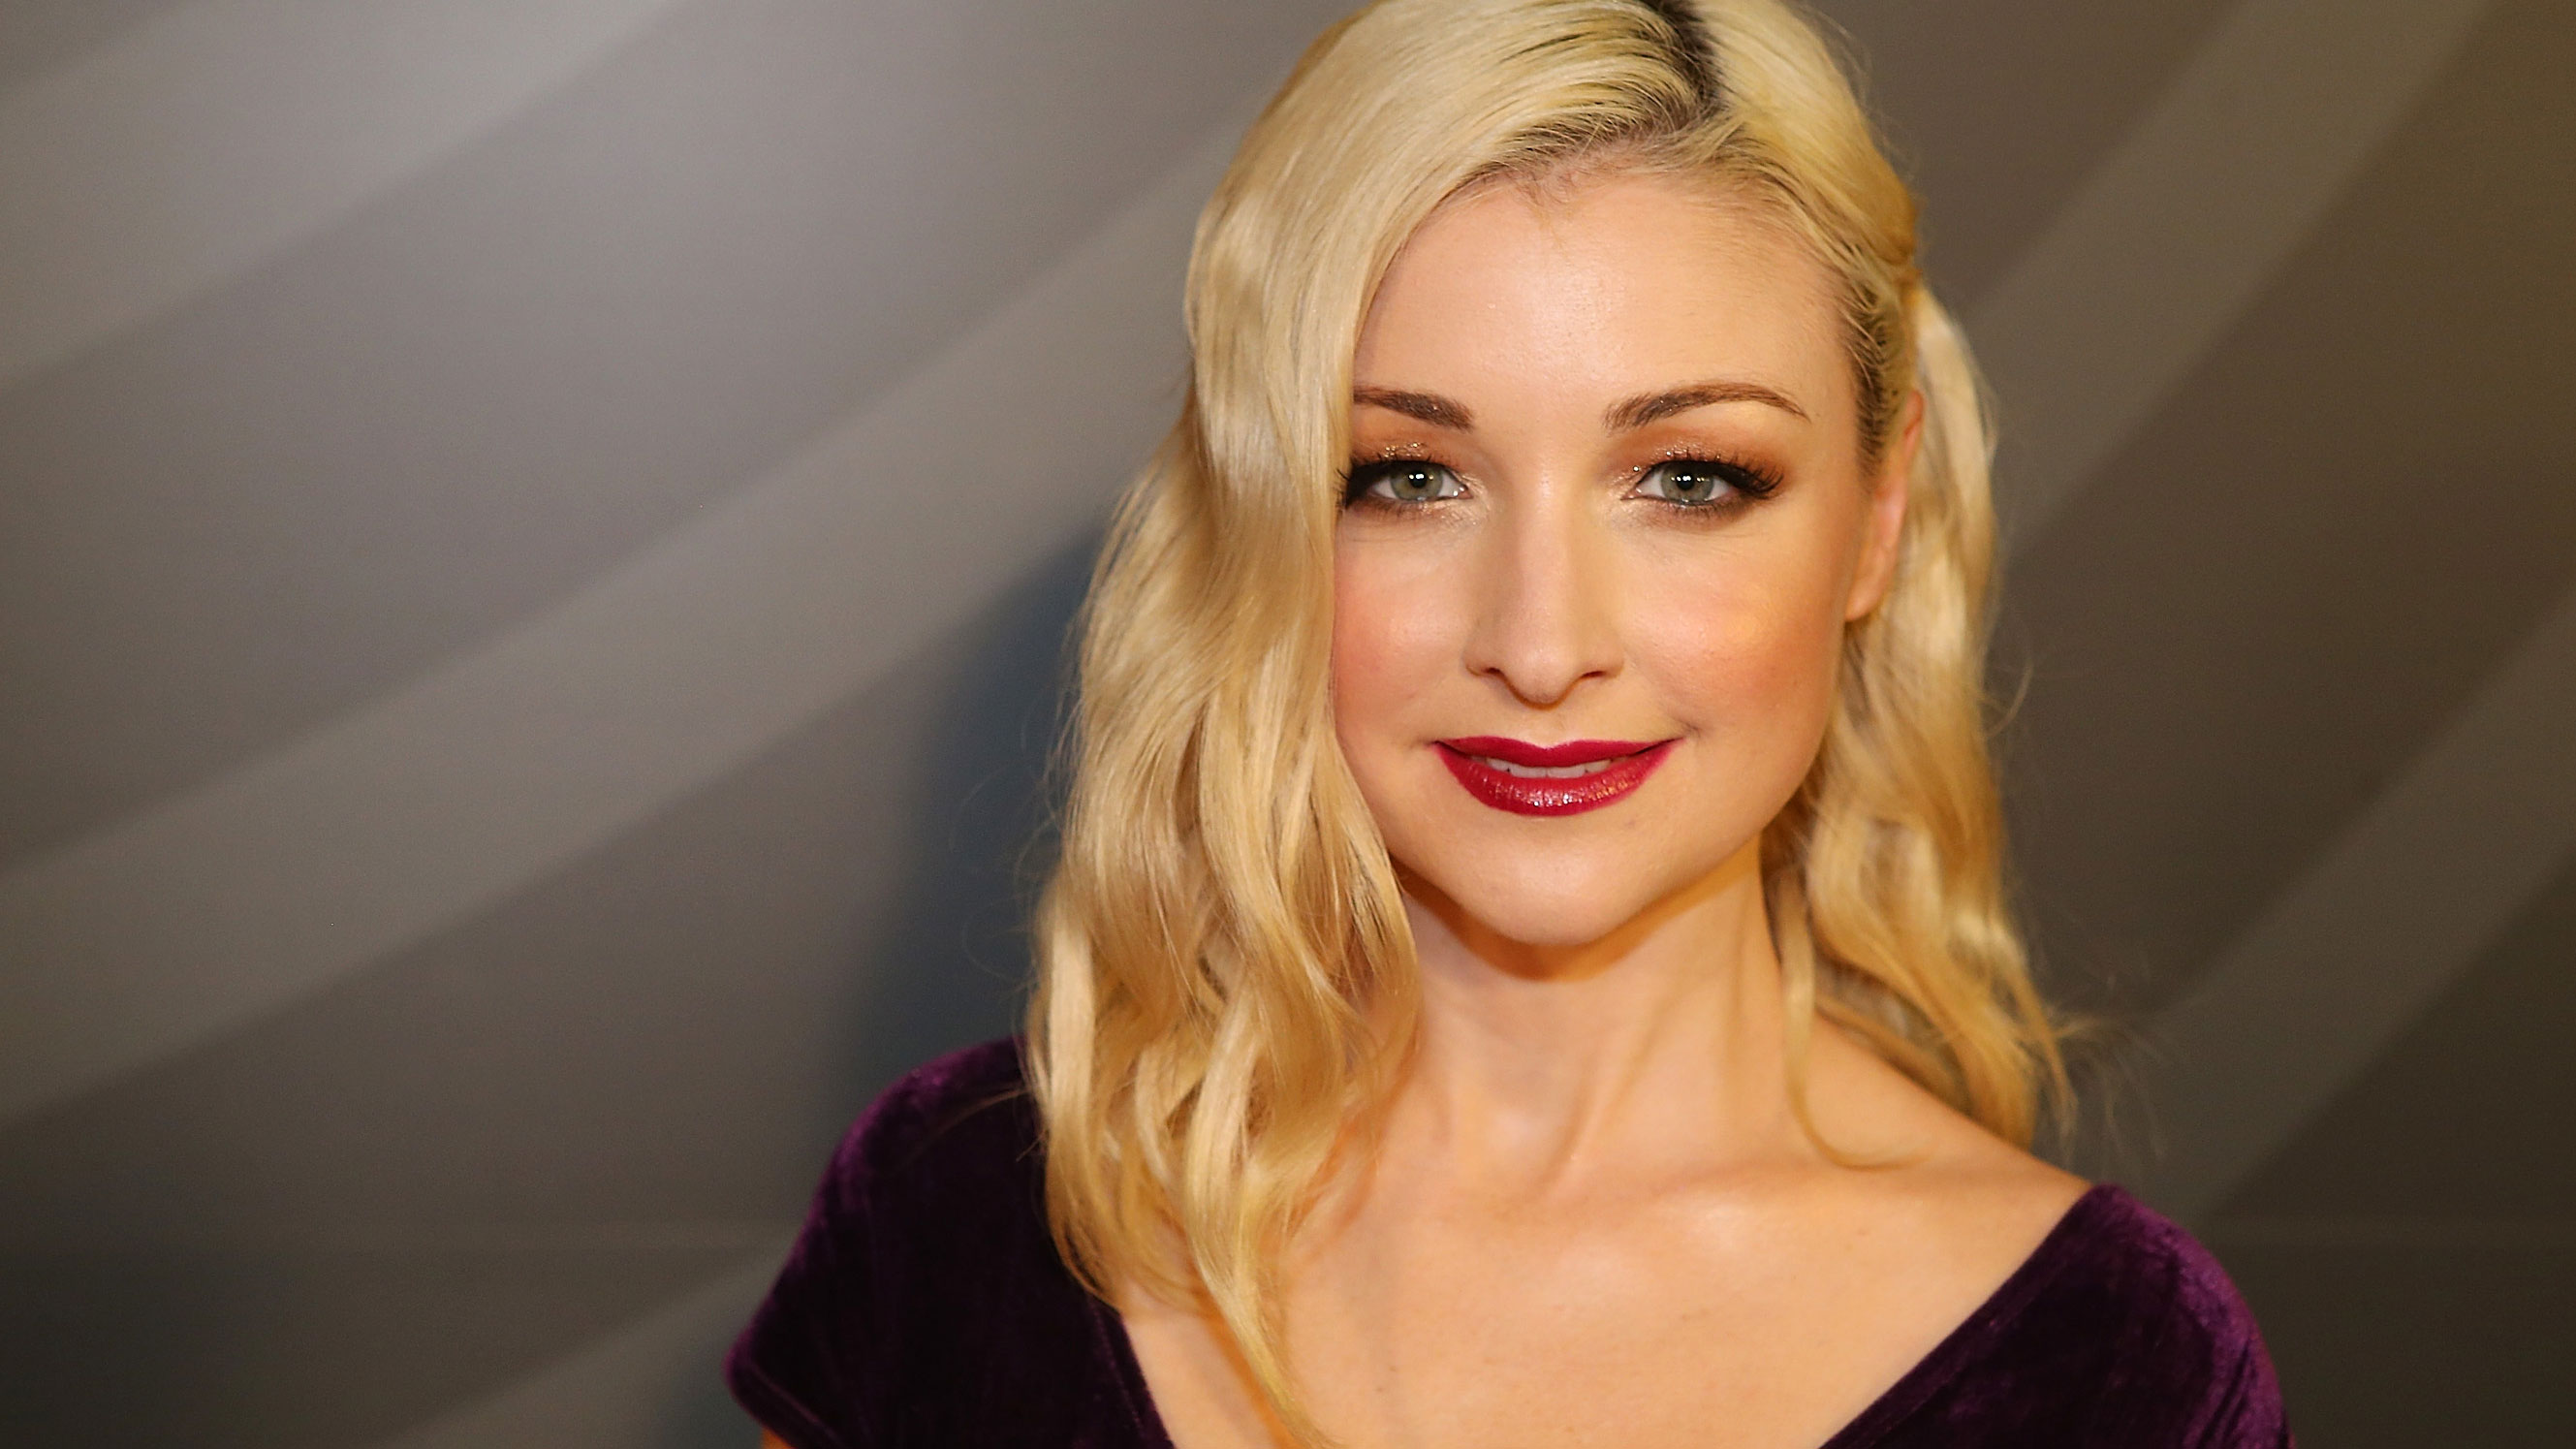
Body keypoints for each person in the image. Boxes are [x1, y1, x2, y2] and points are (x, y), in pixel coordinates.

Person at [726, 0, 2292, 1443]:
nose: (1540, 647)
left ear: (1875, 519)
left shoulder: (2116, 1370)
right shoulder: (960, 1217)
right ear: (1264, 522)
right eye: (1407, 477)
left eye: (1688, 479)